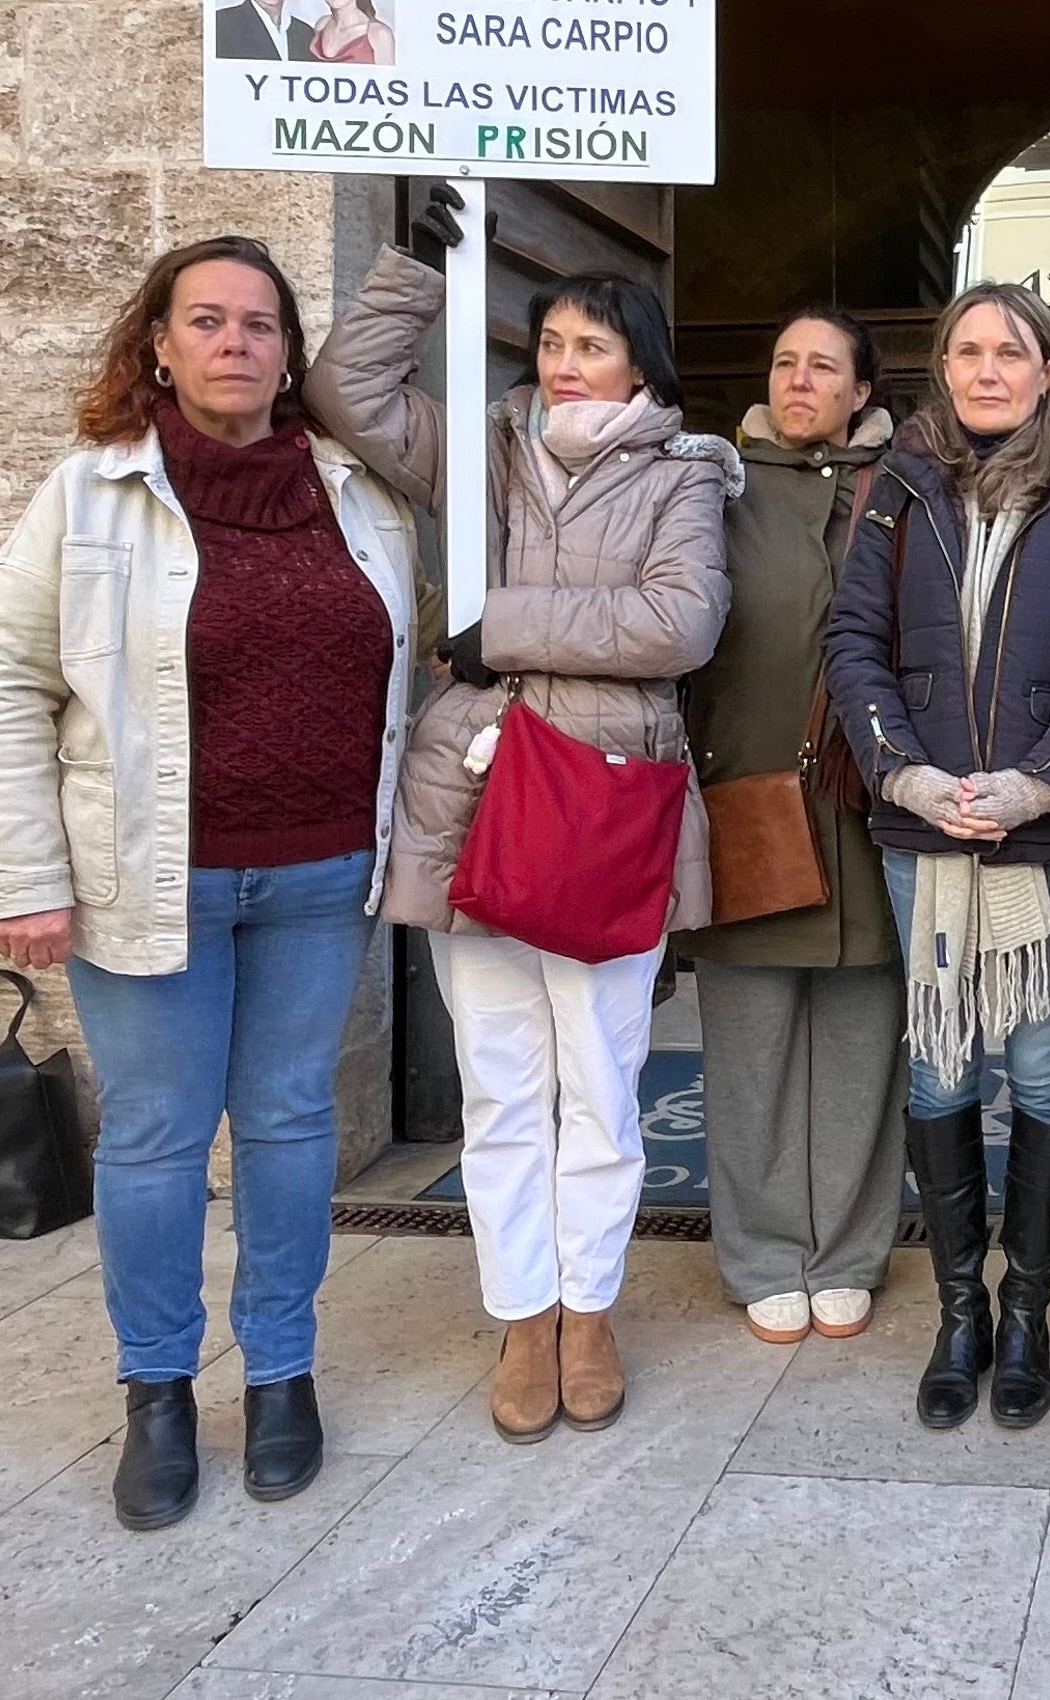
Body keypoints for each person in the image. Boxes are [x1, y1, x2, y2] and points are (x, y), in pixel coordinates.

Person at [0, 237, 416, 1532]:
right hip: (148, 881)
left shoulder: (352, 488)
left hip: (320, 875)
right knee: (159, 1139)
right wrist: (26, 876)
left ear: (287, 350)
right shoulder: (92, 494)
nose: (234, 344)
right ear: (155, 343)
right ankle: (157, 1390)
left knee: (287, 1127)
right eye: (206, 321)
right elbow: (2, 681)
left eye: (260, 325)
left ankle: (279, 1375)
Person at [307, 220, 730, 1446]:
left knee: (599, 1083)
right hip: (476, 797)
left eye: (591, 344)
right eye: (550, 342)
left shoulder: (684, 472)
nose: (562, 363)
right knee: (501, 1084)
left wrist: (502, 627)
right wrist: (414, 278)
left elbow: (678, 624)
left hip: (603, 802)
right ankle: (523, 1314)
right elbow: (346, 394)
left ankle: (591, 1306)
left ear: (639, 365)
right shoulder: (481, 444)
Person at [822, 282, 1050, 1432]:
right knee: (940, 1063)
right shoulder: (899, 490)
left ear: (1048, 369)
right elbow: (852, 642)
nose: (988, 368)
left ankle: (1029, 1312)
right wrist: (902, 771)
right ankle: (963, 1311)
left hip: (1047, 826)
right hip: (924, 823)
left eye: (1012, 350)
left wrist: (1044, 779)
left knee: (1045, 1065)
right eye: (967, 350)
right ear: (944, 368)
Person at [681, 308, 904, 1346]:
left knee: (864, 1043)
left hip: (870, 807)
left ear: (863, 389)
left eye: (825, 366)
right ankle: (764, 1251)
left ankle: (850, 1250)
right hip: (747, 799)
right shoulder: (712, 485)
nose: (801, 380)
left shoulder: (907, 487)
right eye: (785, 363)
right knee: (750, 1046)